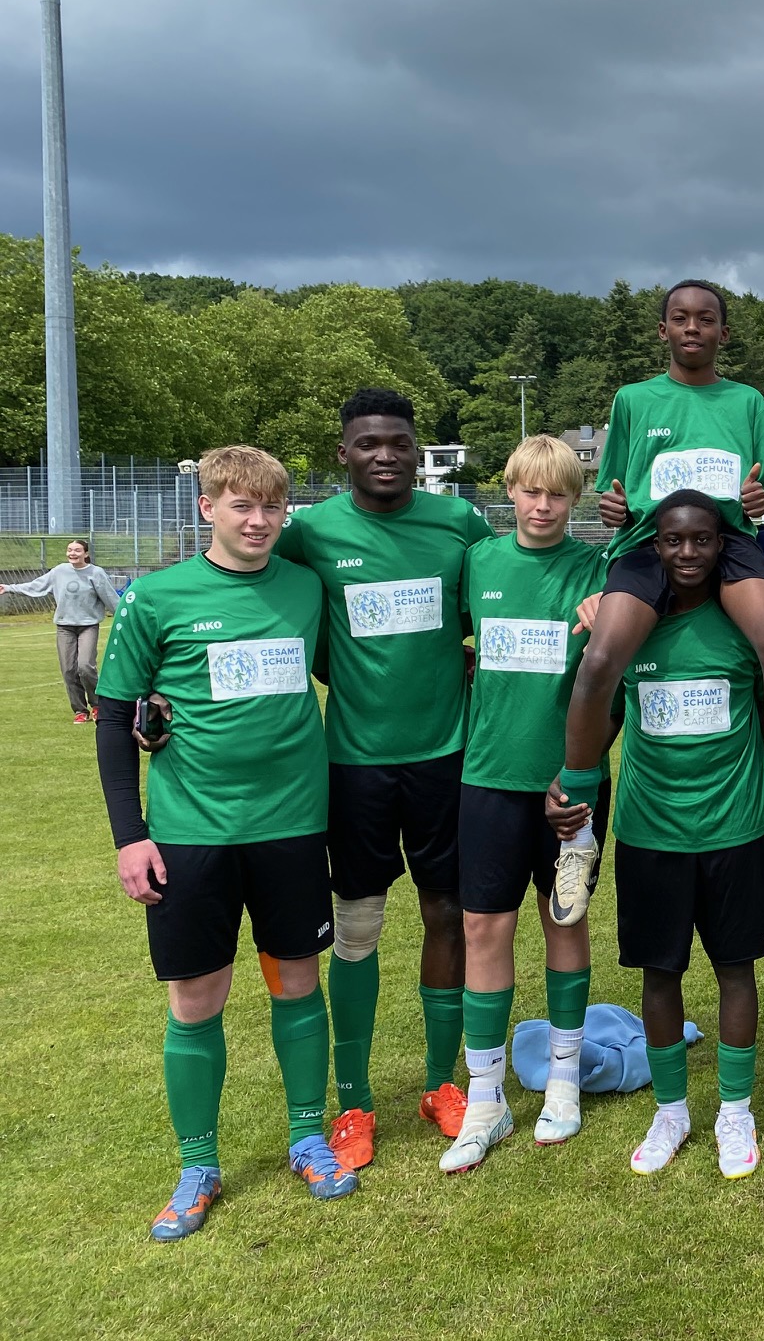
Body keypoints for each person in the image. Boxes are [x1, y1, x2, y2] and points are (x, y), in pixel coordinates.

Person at [95, 445, 356, 1241]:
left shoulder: (306, 588)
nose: (258, 522)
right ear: (206, 506)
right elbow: (113, 717)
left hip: (291, 829)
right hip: (190, 835)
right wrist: (129, 836)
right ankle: (197, 1164)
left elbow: (350, 668)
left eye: (272, 507)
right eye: (241, 506)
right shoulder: (157, 598)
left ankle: (308, 1135)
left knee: (298, 986)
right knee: (196, 999)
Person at [276, 387, 493, 1171]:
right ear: (344, 453)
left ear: (416, 449)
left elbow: (491, 610)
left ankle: (443, 1084)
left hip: (447, 757)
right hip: (354, 764)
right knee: (358, 926)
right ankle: (355, 1100)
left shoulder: (460, 524)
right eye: (368, 442)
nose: (385, 455)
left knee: (450, 911)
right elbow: (262, 601)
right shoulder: (311, 535)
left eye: (398, 442)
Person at [550, 492, 764, 1177]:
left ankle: (735, 1111)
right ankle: (672, 1111)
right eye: (673, 541)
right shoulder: (630, 630)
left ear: (723, 547)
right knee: (661, 973)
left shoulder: (744, 624)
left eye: (703, 541)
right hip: (651, 832)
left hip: (734, 828)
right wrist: (571, 782)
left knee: (735, 970)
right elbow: (601, 713)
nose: (687, 553)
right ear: (652, 547)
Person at [590, 279, 764, 876]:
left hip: (727, 543)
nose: (692, 327)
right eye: (680, 318)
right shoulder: (633, 400)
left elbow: (761, 491)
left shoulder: (747, 401)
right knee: (599, 661)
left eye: (705, 319)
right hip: (649, 545)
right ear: (663, 329)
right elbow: (613, 488)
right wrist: (612, 509)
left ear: (723, 332)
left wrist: (755, 495)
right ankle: (575, 830)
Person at [440, 436, 610, 1173]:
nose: (543, 507)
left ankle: (563, 1082)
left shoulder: (598, 570)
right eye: (530, 492)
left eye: (559, 495)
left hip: (569, 788)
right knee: (484, 928)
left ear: (576, 499)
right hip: (487, 781)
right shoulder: (477, 563)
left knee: (565, 922)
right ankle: (486, 1098)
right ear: (508, 490)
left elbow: (614, 688)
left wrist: (581, 774)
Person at [1, 538, 120, 722]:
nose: (73, 553)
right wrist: (9, 587)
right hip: (65, 627)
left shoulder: (96, 573)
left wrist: (124, 617)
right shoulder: (59, 571)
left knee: (85, 667)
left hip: (88, 625)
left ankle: (97, 705)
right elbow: (36, 585)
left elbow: (110, 597)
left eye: (77, 550)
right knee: (68, 670)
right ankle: (80, 710)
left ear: (86, 554)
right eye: (70, 550)